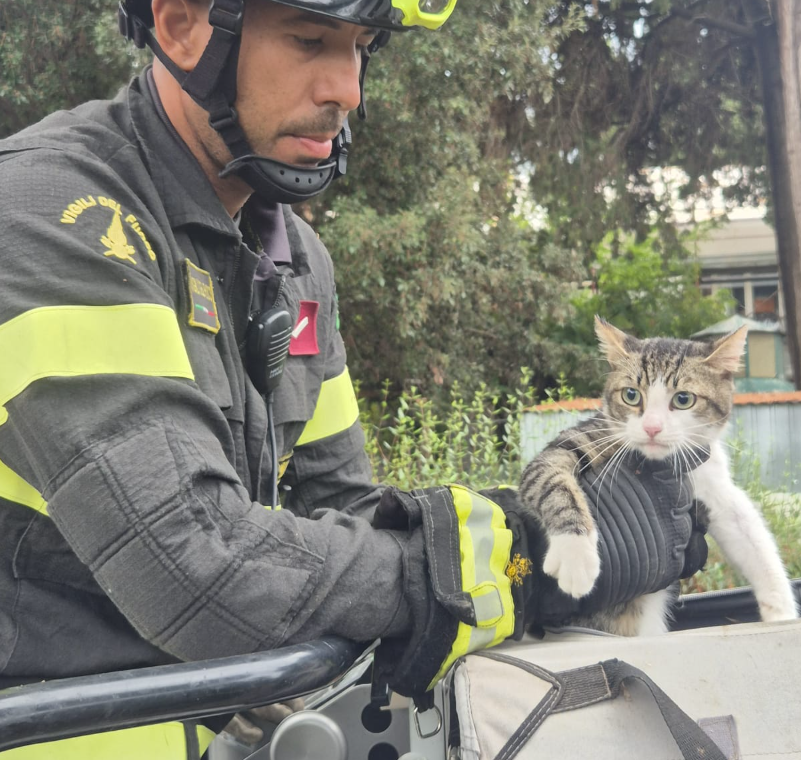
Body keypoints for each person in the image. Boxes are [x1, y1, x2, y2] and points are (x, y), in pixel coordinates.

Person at [0, 1, 694, 757]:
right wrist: (517, 569)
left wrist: (562, 519)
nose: (349, 87)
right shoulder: (52, 216)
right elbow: (195, 562)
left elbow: (344, 510)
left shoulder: (296, 262)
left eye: (361, 48)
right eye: (309, 41)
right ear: (180, 26)